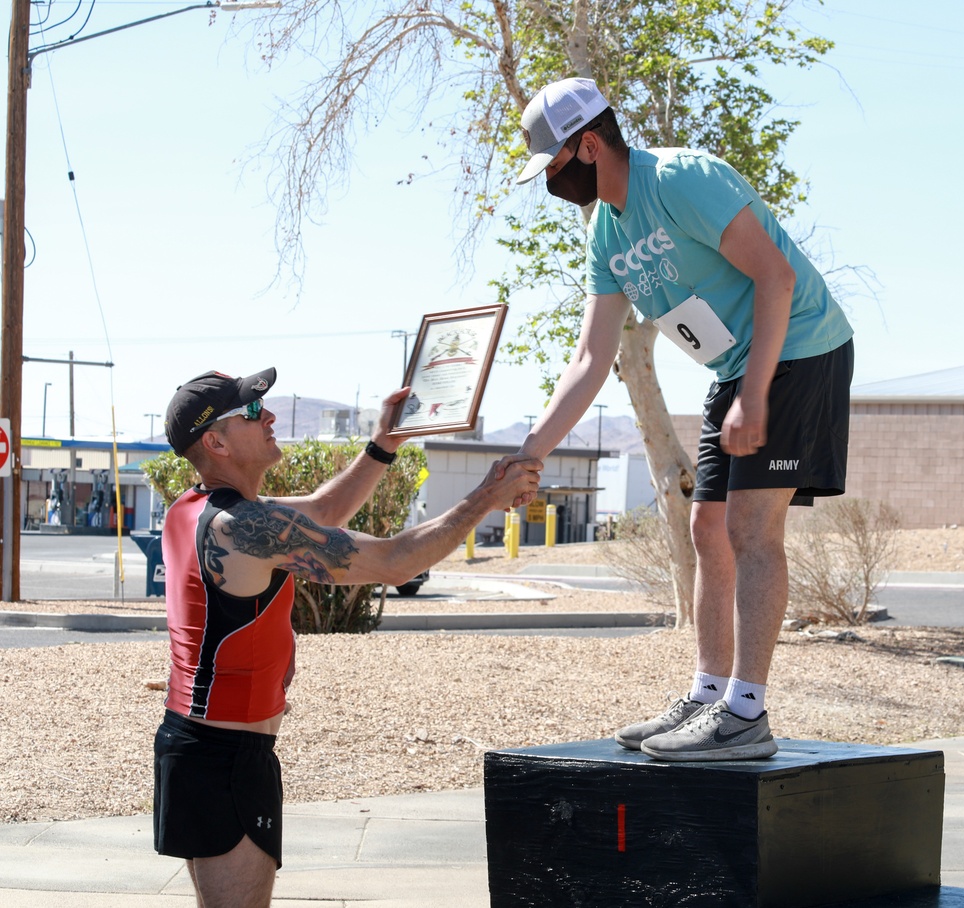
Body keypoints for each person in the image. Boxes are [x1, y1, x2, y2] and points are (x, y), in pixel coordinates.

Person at [512, 77, 854, 762]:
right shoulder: (606, 230)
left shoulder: (683, 179)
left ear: (587, 145)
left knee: (750, 529)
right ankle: (707, 695)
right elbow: (591, 354)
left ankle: (746, 715)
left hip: (800, 348)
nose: (548, 181)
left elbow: (777, 279)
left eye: (551, 165)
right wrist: (531, 451)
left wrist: (755, 396)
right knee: (708, 528)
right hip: (737, 367)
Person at [153, 367, 540, 908]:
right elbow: (392, 563)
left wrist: (384, 444)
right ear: (215, 442)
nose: (267, 416)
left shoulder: (197, 510)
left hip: (203, 745)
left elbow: (326, 512)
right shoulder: (240, 528)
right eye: (250, 411)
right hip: (224, 756)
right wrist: (484, 499)